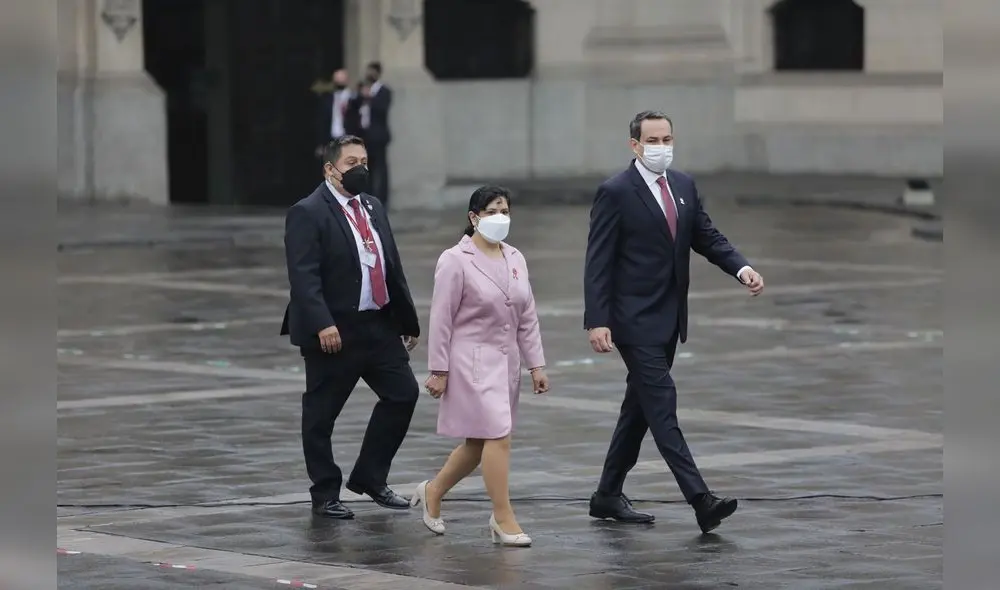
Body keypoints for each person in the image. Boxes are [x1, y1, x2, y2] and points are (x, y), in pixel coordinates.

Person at [583, 111, 765, 534]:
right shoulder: (615, 192)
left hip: (669, 319)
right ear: (634, 145)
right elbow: (598, 262)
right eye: (652, 140)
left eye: (667, 138)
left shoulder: (683, 185)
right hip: (632, 320)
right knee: (662, 404)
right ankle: (701, 500)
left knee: (639, 409)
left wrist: (742, 269)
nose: (661, 146)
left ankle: (607, 494)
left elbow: (706, 236)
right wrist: (597, 320)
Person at [281, 135, 421, 520]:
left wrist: (406, 321)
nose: (360, 168)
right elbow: (303, 277)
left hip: (377, 325)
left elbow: (391, 266)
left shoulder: (373, 207)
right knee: (321, 415)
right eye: (351, 162)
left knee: (403, 394)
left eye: (364, 161)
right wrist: (323, 323)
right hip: (334, 332)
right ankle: (325, 492)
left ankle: (370, 478)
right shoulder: (308, 212)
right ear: (330, 169)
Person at [410, 186, 550, 547]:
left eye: (505, 210)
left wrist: (536, 364)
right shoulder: (455, 260)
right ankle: (502, 516)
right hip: (469, 363)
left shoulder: (515, 257)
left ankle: (433, 490)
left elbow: (527, 316)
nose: (500, 217)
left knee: (478, 442)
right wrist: (438, 370)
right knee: (499, 436)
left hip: (506, 365)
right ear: (474, 217)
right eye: (492, 211)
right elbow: (441, 318)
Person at [358, 61, 392, 209]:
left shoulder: (384, 91)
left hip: (378, 136)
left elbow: (381, 109)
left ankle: (383, 199)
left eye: (371, 72)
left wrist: (369, 97)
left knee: (381, 167)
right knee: (366, 168)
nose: (368, 75)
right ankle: (368, 197)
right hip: (365, 136)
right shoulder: (364, 90)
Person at [315, 69, 354, 158]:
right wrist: (321, 144)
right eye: (337, 79)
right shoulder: (328, 99)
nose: (339, 82)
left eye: (342, 79)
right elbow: (323, 122)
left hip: (349, 139)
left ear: (347, 80)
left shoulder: (354, 98)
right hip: (332, 139)